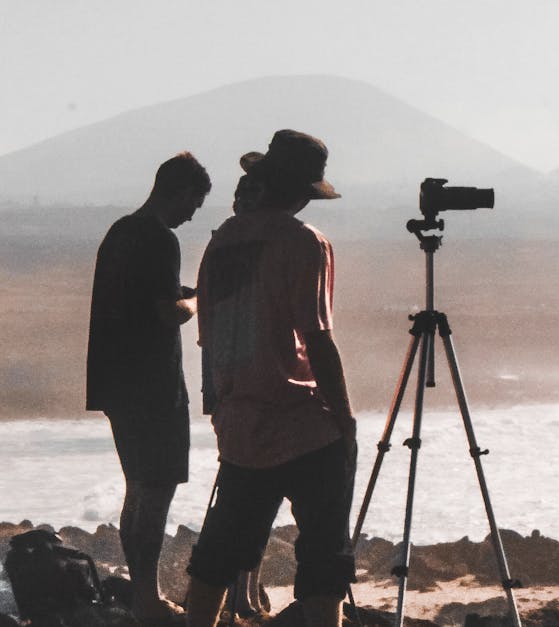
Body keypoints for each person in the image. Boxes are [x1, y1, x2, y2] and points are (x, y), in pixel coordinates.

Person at [186, 130, 356, 627]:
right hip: (304, 424)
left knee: (220, 546)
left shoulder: (221, 242)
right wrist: (343, 418)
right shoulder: (305, 242)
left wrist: (219, 406)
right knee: (324, 553)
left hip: (241, 424)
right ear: (304, 192)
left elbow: (208, 338)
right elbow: (316, 337)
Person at [85, 152, 211, 623]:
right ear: (179, 192)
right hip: (153, 385)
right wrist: (200, 299)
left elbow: (140, 297)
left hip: (117, 384)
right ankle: (148, 600)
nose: (192, 214)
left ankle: (144, 595)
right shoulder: (161, 238)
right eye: (194, 203)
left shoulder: (120, 231)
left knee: (136, 489)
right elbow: (165, 312)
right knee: (156, 493)